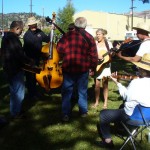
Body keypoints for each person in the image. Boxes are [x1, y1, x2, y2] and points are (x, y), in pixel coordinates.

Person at [96, 53, 150, 148]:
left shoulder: (136, 83)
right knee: (121, 107)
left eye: (140, 68)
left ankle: (108, 142)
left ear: (142, 69)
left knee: (103, 114)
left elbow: (126, 97)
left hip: (133, 117)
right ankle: (125, 130)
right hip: (148, 119)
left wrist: (118, 83)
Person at [57, 17, 98, 122]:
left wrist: (65, 54)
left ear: (75, 25)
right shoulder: (89, 37)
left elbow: (59, 49)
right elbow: (94, 55)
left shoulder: (67, 36)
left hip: (68, 67)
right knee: (82, 91)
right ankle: (83, 112)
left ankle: (65, 114)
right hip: (82, 68)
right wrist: (93, 68)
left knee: (67, 92)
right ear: (85, 25)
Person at [1, 21, 33, 118]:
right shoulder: (13, 39)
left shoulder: (5, 37)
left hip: (7, 67)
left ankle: (14, 111)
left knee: (13, 91)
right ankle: (16, 113)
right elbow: (19, 54)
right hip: (14, 68)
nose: (21, 32)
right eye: (21, 30)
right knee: (19, 92)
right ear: (17, 28)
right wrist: (29, 61)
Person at [23, 16, 50, 99]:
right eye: (32, 25)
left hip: (37, 58)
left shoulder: (39, 32)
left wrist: (51, 30)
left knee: (34, 77)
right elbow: (32, 49)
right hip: (29, 58)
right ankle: (31, 94)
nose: (34, 26)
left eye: (34, 24)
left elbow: (47, 39)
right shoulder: (27, 36)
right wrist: (43, 54)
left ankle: (34, 92)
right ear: (29, 26)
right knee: (30, 77)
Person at [92, 28, 113, 109]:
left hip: (106, 67)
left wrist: (112, 53)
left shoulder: (109, 44)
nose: (97, 36)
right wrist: (97, 56)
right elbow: (92, 53)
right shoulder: (95, 43)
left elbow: (111, 55)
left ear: (103, 35)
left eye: (99, 34)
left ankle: (105, 103)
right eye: (97, 34)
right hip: (97, 65)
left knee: (105, 85)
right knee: (97, 85)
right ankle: (96, 102)